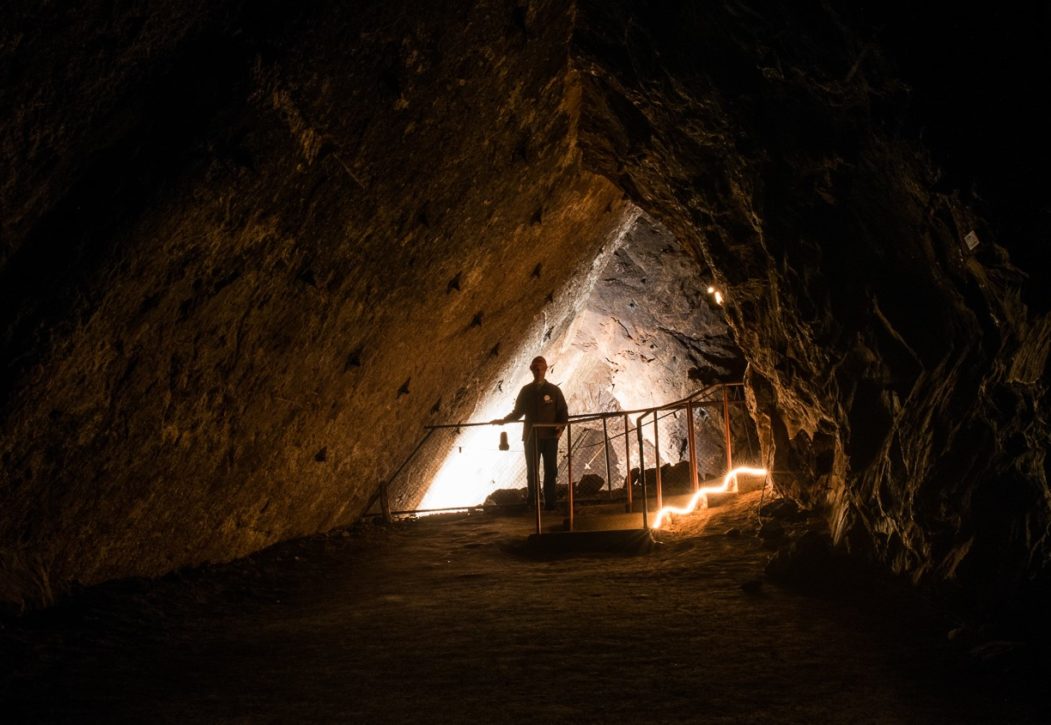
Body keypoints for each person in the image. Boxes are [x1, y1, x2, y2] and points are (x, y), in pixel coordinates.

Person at [491, 356, 569, 510]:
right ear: (532, 370)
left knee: (551, 470)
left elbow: (562, 412)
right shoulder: (526, 391)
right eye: (536, 368)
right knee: (532, 471)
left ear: (546, 369)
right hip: (530, 437)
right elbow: (518, 412)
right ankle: (533, 502)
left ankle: (550, 503)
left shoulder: (554, 391)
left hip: (550, 437)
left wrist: (561, 427)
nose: (538, 371)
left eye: (541, 368)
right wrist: (503, 420)